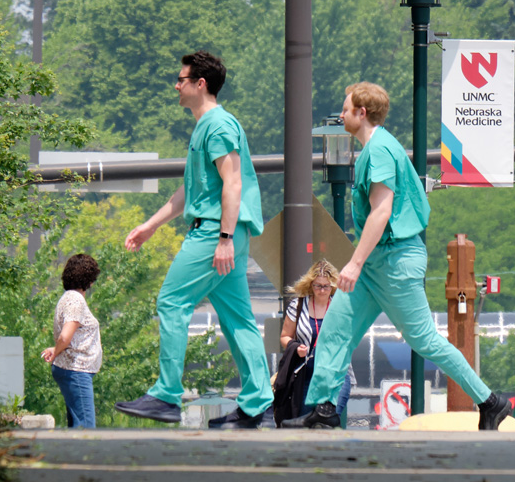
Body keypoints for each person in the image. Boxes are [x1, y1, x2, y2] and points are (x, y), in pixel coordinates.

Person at [282, 82, 512, 430]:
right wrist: (362, 263)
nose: (341, 115)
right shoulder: (375, 149)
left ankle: (489, 401)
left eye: (346, 109)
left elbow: (382, 211)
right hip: (379, 262)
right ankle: (324, 409)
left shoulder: (380, 151)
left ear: (361, 113)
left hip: (394, 262)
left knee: (424, 340)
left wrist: (355, 263)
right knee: (334, 330)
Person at [114, 50, 273, 429]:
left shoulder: (218, 126)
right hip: (219, 230)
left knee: (172, 301)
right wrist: (151, 225)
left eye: (181, 79)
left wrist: (224, 239)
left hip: (214, 233)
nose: (176, 84)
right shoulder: (205, 126)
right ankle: (257, 404)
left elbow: (232, 183)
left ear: (200, 84)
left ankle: (166, 395)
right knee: (238, 320)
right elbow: (189, 193)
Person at [275, 259, 354, 424]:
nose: (322, 290)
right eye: (318, 285)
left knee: (328, 421)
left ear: (333, 286)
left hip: (336, 374)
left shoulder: (341, 308)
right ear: (310, 284)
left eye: (326, 286)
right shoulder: (298, 306)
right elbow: (284, 336)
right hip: (305, 375)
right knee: (306, 424)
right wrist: (296, 348)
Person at [41, 254, 102, 429]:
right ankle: (83, 456)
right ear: (88, 279)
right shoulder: (75, 300)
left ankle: (71, 455)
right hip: (76, 370)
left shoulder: (68, 298)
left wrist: (55, 349)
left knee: (76, 425)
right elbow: (66, 337)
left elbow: (67, 338)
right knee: (85, 428)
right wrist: (57, 350)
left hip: (72, 370)